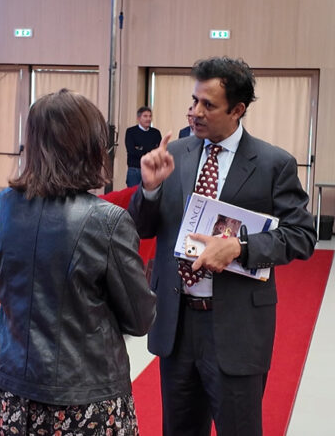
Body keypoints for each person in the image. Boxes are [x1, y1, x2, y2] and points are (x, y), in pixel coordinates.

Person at [128, 57, 316, 436]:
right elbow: (141, 228)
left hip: (236, 327)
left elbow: (301, 235)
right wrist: (148, 189)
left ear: (237, 110)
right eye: (194, 101)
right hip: (177, 323)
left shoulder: (273, 164)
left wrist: (239, 248)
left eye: (208, 105)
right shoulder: (175, 154)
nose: (195, 112)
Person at [0, 89, 156, 436]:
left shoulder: (2, 205)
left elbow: (2, 288)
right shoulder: (108, 220)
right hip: (84, 395)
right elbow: (139, 319)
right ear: (89, 146)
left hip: (11, 388)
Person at [125, 106, 162, 187]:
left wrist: (141, 149)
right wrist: (149, 152)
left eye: (150, 116)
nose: (148, 119)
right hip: (135, 170)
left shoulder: (156, 133)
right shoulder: (131, 132)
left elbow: (159, 151)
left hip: (151, 170)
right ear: (138, 118)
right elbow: (131, 151)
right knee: (133, 193)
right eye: (145, 116)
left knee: (150, 193)